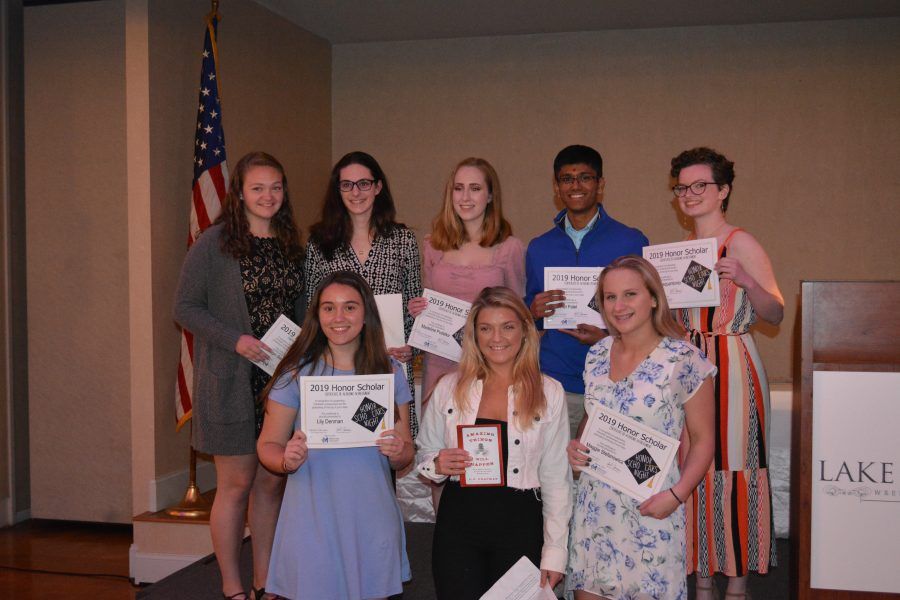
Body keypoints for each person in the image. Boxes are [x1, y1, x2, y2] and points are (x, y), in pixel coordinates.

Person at [173, 151, 305, 600]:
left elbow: (301, 311)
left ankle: (265, 580)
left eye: (276, 187)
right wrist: (235, 340)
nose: (268, 196)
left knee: (271, 484)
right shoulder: (214, 243)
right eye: (258, 187)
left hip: (280, 385)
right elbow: (185, 308)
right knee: (235, 486)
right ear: (240, 194)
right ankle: (232, 586)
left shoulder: (292, 243)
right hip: (231, 382)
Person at [257, 271, 415, 599]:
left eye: (349, 307)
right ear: (317, 315)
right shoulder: (296, 373)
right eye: (328, 308)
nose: (338, 317)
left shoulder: (388, 372)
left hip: (371, 515)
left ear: (366, 313)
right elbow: (267, 446)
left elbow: (406, 454)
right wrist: (285, 460)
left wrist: (398, 450)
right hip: (312, 515)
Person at [566, 255, 716, 600]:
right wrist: (578, 445)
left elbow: (705, 440)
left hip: (652, 507)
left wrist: (676, 497)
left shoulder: (684, 359)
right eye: (610, 297)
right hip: (596, 506)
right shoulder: (597, 353)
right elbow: (595, 417)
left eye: (630, 294)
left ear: (653, 298)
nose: (619, 306)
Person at [670, 147, 784, 600]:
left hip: (734, 362)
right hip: (689, 362)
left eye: (701, 185)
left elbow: (774, 313)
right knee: (692, 461)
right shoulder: (678, 251)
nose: (690, 194)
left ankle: (737, 580)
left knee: (737, 464)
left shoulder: (741, 242)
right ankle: (700, 575)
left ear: (723, 191)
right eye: (682, 187)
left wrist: (747, 281)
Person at [417, 287, 572, 599]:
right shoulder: (449, 388)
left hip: (521, 523)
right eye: (485, 328)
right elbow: (426, 453)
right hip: (459, 524)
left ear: (525, 332)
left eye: (508, 327)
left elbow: (557, 477)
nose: (496, 338)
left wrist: (555, 551)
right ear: (474, 334)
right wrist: (437, 464)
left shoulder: (549, 392)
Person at [525, 144, 649, 439]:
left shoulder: (631, 241)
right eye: (567, 179)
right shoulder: (538, 247)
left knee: (606, 479)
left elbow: (649, 315)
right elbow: (529, 316)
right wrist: (533, 312)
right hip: (555, 383)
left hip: (618, 381)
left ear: (600, 184)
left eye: (585, 177)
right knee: (554, 479)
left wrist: (608, 339)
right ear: (557, 187)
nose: (576, 186)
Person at [305, 151, 422, 432]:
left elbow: (416, 307)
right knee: (345, 438)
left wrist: (412, 347)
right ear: (338, 190)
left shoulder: (402, 240)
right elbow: (312, 309)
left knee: (387, 441)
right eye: (346, 185)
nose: (355, 192)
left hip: (386, 366)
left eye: (364, 183)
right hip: (338, 367)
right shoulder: (320, 243)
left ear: (378, 187)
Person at [408, 157, 525, 403]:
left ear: (491, 196)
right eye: (458, 188)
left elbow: (518, 314)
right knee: (439, 438)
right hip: (440, 361)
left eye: (475, 188)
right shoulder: (433, 245)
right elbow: (429, 297)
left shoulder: (510, 248)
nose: (465, 197)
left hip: (490, 363)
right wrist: (418, 309)